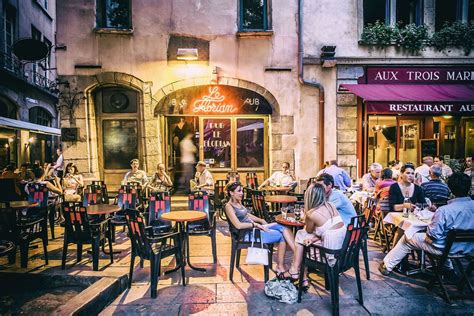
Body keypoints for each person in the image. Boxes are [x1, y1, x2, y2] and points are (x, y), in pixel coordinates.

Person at [379, 172, 474, 276]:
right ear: (469, 188)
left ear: (450, 189)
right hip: (469, 248)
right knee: (442, 237)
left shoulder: (444, 211)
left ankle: (387, 265)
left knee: (408, 237)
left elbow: (433, 236)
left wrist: (428, 231)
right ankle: (447, 268)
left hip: (446, 249)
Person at [279, 183, 347, 286]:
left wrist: (305, 216)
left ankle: (295, 271)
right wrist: (314, 239)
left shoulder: (312, 214)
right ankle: (298, 273)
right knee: (303, 239)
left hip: (329, 257)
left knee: (300, 236)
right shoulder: (331, 206)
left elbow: (309, 230)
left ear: (309, 197)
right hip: (343, 253)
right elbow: (328, 230)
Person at [224, 181, 295, 274]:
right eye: (239, 191)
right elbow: (238, 225)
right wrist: (255, 224)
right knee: (281, 235)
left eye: (242, 191)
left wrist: (260, 220)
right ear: (231, 193)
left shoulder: (238, 202)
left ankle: (292, 257)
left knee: (282, 227)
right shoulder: (228, 206)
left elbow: (246, 214)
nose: (242, 193)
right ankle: (287, 262)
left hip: (253, 230)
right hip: (247, 234)